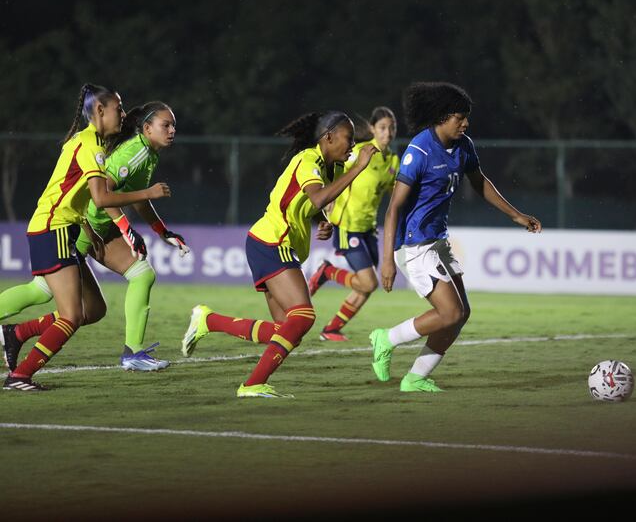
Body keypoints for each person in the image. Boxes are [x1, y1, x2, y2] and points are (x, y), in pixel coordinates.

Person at [180, 111, 377, 398]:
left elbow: (311, 202)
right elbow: (318, 196)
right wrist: (359, 167)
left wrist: (321, 220)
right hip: (273, 242)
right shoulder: (308, 160)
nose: (352, 146)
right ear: (329, 137)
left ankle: (209, 321)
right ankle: (252, 385)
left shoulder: (328, 167)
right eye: (349, 139)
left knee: (285, 330)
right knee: (304, 317)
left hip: (268, 243)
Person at [370, 82, 541, 393]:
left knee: (461, 316)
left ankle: (416, 377)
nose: (465, 123)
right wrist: (386, 261)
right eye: (460, 117)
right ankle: (386, 338)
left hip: (437, 241)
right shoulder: (419, 151)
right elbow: (393, 208)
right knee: (450, 312)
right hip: (414, 245)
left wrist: (516, 215)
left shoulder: (464, 146)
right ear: (442, 117)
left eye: (467, 118)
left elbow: (480, 182)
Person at [0, 83, 171, 391]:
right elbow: (102, 199)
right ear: (100, 111)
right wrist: (149, 192)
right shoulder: (91, 147)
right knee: (70, 315)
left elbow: (77, 197)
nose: (122, 112)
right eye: (118, 108)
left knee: (92, 310)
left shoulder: (90, 143)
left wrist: (87, 228)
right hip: (54, 228)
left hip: (64, 227)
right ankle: (20, 376)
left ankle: (15, 334)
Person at [307, 107, 400, 341]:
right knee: (368, 282)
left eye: (391, 128)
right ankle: (327, 272)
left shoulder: (393, 161)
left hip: (369, 228)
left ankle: (331, 329)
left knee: (367, 286)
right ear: (372, 128)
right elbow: (335, 175)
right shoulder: (358, 152)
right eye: (382, 127)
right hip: (347, 225)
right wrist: (328, 203)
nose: (387, 132)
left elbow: (394, 194)